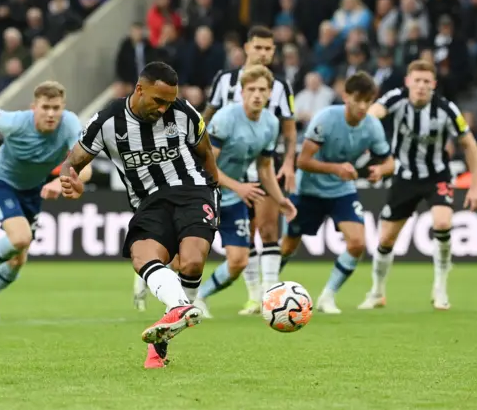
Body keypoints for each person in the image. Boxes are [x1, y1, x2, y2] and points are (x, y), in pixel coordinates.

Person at [58, 61, 220, 369]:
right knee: (142, 255)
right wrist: (70, 180)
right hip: (149, 201)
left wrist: (214, 189)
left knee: (192, 260)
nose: (163, 109)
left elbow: (206, 152)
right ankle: (179, 311)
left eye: (168, 102)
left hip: (192, 190)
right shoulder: (108, 121)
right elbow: (72, 162)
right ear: (139, 89)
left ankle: (173, 320)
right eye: (158, 101)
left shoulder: (183, 113)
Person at [0, 81, 93, 323]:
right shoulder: (13, 122)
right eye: (45, 107)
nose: (51, 114)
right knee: (21, 237)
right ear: (34, 107)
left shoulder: (70, 124)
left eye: (56, 108)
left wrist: (60, 182)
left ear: (63, 107)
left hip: (31, 189)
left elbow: (85, 170)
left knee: (18, 258)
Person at [358, 60, 477, 311]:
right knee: (385, 239)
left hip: (437, 175)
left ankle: (440, 288)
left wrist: (475, 185)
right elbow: (374, 113)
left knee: (442, 223)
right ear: (408, 82)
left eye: (427, 82)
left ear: (434, 85)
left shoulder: (447, 110)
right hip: (404, 177)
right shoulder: (397, 98)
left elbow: (468, 143)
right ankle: (377, 292)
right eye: (417, 81)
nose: (421, 86)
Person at [278, 71, 395, 314]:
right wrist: (336, 168)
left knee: (357, 243)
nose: (363, 107)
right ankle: (267, 289)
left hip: (342, 190)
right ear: (346, 96)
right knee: (288, 246)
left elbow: (389, 162)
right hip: (309, 189)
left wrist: (380, 171)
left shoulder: (373, 126)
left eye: (368, 101)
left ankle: (327, 296)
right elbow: (303, 161)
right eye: (358, 100)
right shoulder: (326, 119)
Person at [202, 25, 297, 316]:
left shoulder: (280, 90)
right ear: (247, 47)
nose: (264, 53)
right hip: (217, 170)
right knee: (194, 253)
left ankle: (265, 296)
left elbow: (288, 132)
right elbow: (207, 119)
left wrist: (288, 168)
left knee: (265, 231)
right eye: (259, 47)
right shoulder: (224, 83)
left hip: (255, 163)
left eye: (269, 48)